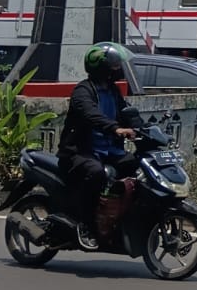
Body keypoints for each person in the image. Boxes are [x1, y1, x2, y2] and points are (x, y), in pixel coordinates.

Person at [57, 43, 139, 248]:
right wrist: (115, 128)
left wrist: (142, 128)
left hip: (109, 150)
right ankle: (86, 224)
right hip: (81, 152)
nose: (117, 69)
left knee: (134, 165)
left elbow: (127, 112)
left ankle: (118, 218)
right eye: (113, 65)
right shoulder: (83, 91)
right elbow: (91, 114)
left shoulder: (112, 91)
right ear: (101, 67)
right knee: (96, 173)